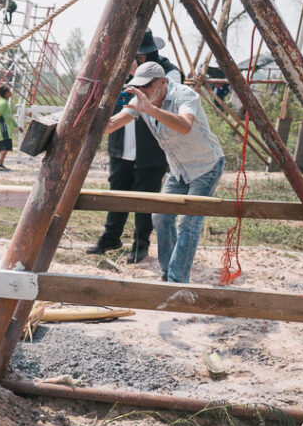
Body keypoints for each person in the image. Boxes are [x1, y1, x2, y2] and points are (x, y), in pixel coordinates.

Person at [105, 62, 225, 284]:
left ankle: (177, 281)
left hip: (205, 167)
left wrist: (150, 110)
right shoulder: (141, 101)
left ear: (163, 82)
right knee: (160, 216)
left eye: (147, 86)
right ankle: (168, 272)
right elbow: (111, 124)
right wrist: (84, 117)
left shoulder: (184, 95)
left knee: (188, 224)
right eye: (139, 87)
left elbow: (185, 125)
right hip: (179, 170)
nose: (143, 91)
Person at [87, 31, 170, 263]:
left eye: (139, 55)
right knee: (117, 192)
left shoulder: (167, 72)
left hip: (151, 149)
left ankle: (141, 243)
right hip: (121, 143)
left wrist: (136, 76)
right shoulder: (119, 71)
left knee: (145, 197)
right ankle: (111, 237)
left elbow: (160, 102)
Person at [0, 85, 17, 170]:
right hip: (3, 128)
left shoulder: (5, 103)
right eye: (9, 91)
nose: (11, 93)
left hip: (7, 128)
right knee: (5, 146)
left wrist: (16, 125)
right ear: (6, 94)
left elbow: (10, 116)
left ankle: (0, 163)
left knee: (6, 146)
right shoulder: (3, 103)